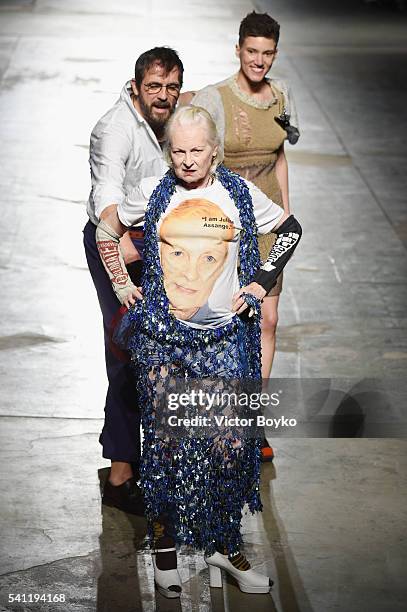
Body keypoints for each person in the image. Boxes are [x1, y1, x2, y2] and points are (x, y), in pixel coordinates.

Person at [96, 105, 301, 598]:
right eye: (179, 150)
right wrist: (122, 283)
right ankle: (165, 550)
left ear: (215, 151)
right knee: (166, 449)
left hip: (226, 340)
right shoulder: (152, 194)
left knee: (229, 447)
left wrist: (260, 281)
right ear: (170, 151)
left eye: (197, 150)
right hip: (165, 343)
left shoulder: (238, 193)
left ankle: (222, 544)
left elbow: (290, 230)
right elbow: (105, 228)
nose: (188, 160)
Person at [188, 11, 300, 460]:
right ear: (238, 50)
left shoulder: (282, 96)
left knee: (267, 321)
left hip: (269, 223)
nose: (259, 61)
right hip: (227, 227)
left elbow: (278, 158)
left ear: (275, 53)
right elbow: (198, 155)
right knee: (223, 322)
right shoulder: (216, 98)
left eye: (267, 53)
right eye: (251, 51)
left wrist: (287, 214)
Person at [83, 47, 183, 514]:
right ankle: (121, 474)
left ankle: (142, 456)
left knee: (162, 353)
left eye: (171, 87)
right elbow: (107, 202)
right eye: (154, 87)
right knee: (126, 352)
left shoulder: (174, 117)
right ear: (135, 87)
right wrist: (122, 261)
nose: (163, 96)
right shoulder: (115, 129)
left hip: (157, 241)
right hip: (114, 241)